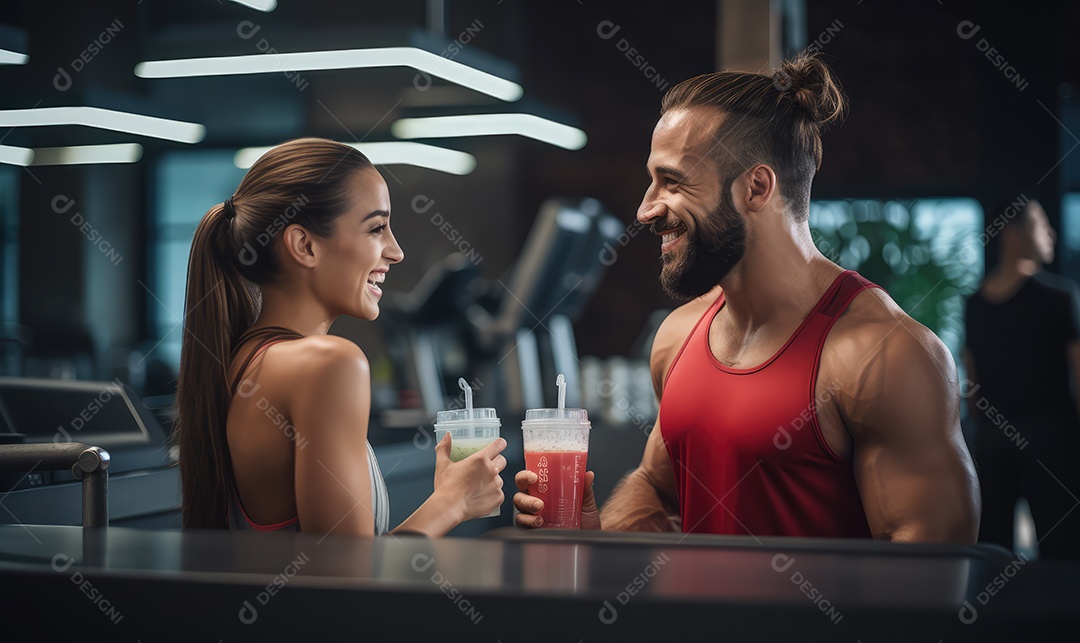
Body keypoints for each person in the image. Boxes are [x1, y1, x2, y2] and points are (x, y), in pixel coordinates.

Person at [514, 53, 980, 542]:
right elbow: (658, 487)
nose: (646, 208)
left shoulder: (885, 354)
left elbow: (930, 569)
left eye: (672, 182)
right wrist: (597, 533)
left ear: (756, 188)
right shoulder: (677, 337)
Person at [176, 138, 506, 535]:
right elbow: (349, 578)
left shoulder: (243, 359)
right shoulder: (329, 364)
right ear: (305, 245)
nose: (396, 251)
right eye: (376, 228)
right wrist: (451, 503)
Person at [963, 197, 1080, 559]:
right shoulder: (1060, 297)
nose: (1051, 233)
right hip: (1052, 444)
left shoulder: (975, 304)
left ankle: (998, 616)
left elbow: (972, 384)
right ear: (1012, 235)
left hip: (993, 442)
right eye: (1040, 224)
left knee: (993, 554)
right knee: (1063, 554)